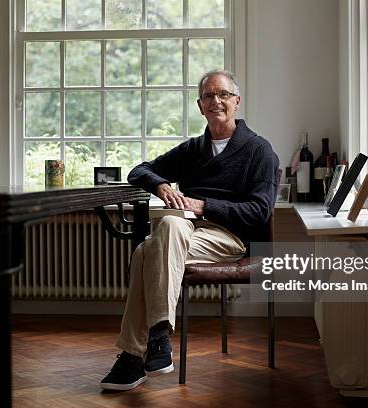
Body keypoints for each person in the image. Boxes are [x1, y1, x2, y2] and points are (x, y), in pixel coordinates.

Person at [100, 69, 279, 391]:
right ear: (200, 106)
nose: (216, 101)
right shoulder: (192, 149)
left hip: (229, 236)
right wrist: (161, 185)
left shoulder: (259, 150)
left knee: (146, 251)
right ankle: (155, 341)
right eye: (208, 96)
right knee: (168, 225)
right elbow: (138, 170)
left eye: (223, 94)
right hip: (183, 231)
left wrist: (203, 206)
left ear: (236, 102)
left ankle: (132, 355)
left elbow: (259, 211)